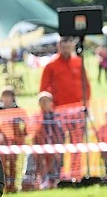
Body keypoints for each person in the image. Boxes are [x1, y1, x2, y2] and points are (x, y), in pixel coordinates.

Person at [38, 37, 90, 182]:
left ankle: (76, 174)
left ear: (72, 46)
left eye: (69, 45)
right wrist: (50, 109)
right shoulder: (51, 65)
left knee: (77, 144)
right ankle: (57, 176)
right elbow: (44, 89)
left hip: (78, 112)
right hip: (58, 113)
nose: (66, 48)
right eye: (64, 45)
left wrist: (86, 105)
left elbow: (87, 86)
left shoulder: (79, 62)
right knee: (58, 145)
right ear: (59, 46)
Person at [0, 85, 28, 193]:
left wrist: (22, 136)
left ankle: (12, 186)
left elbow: (26, 125)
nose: (6, 99)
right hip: (2, 142)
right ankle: (4, 185)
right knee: (2, 164)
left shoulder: (19, 111)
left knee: (14, 163)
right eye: (4, 96)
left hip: (15, 142)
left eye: (9, 96)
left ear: (13, 97)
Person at [32, 91, 65, 190]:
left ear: (51, 102)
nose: (44, 103)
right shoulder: (36, 117)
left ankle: (53, 181)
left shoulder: (57, 117)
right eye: (41, 101)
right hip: (40, 146)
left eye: (46, 101)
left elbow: (61, 133)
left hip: (55, 146)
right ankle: (40, 182)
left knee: (55, 158)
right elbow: (34, 133)